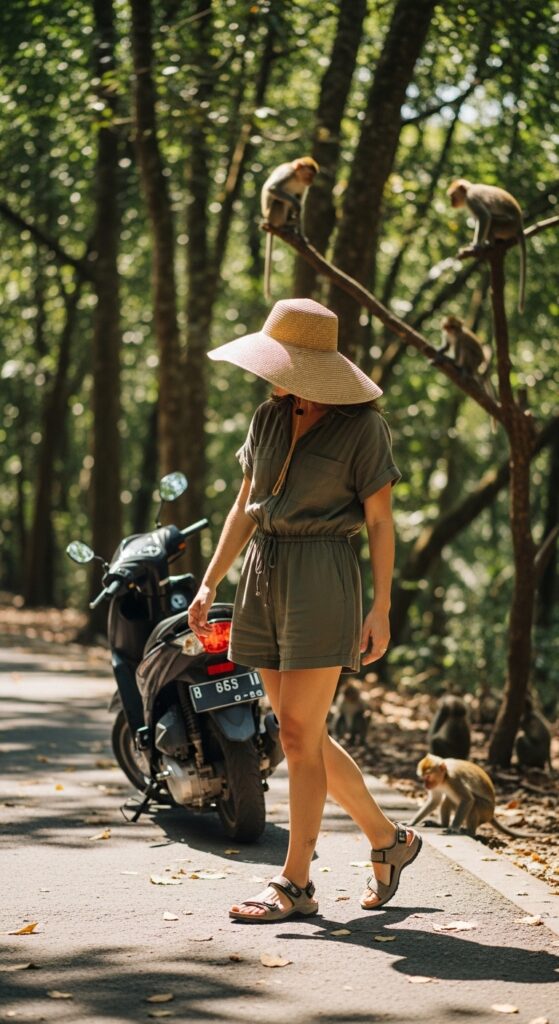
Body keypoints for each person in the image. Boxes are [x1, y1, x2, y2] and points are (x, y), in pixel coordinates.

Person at [187, 297, 422, 923]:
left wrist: (382, 607)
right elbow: (245, 505)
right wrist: (212, 582)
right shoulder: (267, 418)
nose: (270, 373)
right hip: (264, 573)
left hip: (324, 574)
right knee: (303, 734)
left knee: (295, 731)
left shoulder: (363, 429)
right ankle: (390, 841)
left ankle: (296, 883)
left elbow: (379, 522)